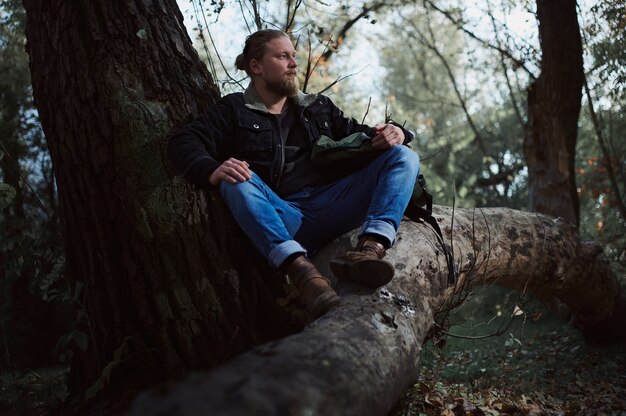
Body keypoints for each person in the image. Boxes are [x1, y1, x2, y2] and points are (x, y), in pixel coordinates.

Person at [168, 29, 419, 321]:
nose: (293, 64)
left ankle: (370, 250)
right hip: (286, 217)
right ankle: (304, 276)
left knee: (403, 155)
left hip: (336, 203)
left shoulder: (317, 107)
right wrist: (212, 169)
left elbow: (367, 136)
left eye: (294, 57)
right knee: (235, 178)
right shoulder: (234, 109)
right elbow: (183, 142)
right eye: (282, 56)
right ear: (256, 66)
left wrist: (398, 132)